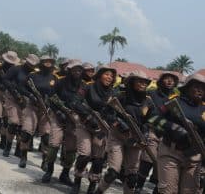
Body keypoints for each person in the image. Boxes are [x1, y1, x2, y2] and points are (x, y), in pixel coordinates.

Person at [95, 71, 157, 194]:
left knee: (132, 176)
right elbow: (106, 113)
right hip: (117, 136)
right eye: (139, 81)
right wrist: (118, 122)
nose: (143, 84)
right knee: (113, 172)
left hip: (136, 139)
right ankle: (98, 191)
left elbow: (153, 119)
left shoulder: (148, 101)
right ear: (132, 82)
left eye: (145, 82)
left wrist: (145, 132)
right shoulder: (121, 96)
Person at [153, 73, 205, 194]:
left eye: (203, 87)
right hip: (171, 152)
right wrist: (171, 127)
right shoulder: (174, 101)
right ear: (187, 87)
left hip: (195, 158)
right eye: (196, 86)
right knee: (168, 191)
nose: (200, 90)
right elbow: (153, 119)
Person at [70, 64, 117, 194]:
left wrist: (108, 121)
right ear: (100, 74)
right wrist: (88, 116)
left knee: (98, 159)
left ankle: (92, 185)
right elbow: (75, 102)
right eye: (107, 74)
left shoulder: (114, 93)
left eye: (112, 76)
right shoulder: (87, 86)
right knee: (84, 154)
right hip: (85, 123)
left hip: (102, 128)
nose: (109, 77)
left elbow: (115, 112)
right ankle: (77, 180)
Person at [42, 59, 85, 186]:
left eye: (79, 70)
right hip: (58, 116)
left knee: (71, 149)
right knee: (54, 145)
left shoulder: (83, 86)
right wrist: (58, 112)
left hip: (74, 119)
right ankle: (49, 171)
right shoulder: (60, 82)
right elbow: (51, 99)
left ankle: (65, 174)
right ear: (69, 70)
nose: (77, 72)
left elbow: (84, 103)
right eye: (74, 69)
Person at [136, 72, 179, 193]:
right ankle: (137, 188)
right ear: (161, 80)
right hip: (152, 130)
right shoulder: (151, 94)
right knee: (148, 161)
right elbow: (143, 111)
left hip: (167, 135)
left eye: (173, 80)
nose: (170, 81)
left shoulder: (176, 98)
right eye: (167, 79)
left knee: (162, 167)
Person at [18, 55, 57, 169]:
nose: (48, 63)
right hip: (32, 107)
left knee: (46, 137)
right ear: (41, 63)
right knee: (26, 133)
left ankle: (44, 160)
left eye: (50, 62)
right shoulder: (32, 76)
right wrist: (30, 95)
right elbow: (21, 87)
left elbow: (57, 93)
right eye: (46, 61)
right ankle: (23, 156)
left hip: (47, 110)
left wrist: (51, 103)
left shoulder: (54, 78)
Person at [2, 54, 40, 157]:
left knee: (22, 126)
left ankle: (19, 148)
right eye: (29, 63)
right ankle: (8, 146)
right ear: (26, 61)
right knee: (14, 122)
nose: (30, 66)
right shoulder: (15, 69)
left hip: (25, 100)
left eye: (32, 65)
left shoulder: (33, 74)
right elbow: (5, 80)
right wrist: (13, 90)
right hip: (12, 97)